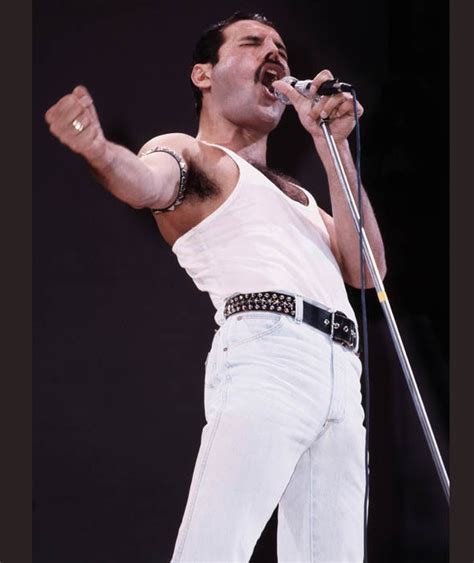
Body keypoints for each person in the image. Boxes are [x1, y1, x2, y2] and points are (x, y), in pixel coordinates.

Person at [44, 11, 387, 562]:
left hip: (343, 379)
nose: (275, 55)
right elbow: (145, 181)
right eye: (253, 43)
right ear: (203, 74)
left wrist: (334, 146)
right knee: (215, 549)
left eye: (281, 48)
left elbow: (367, 272)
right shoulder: (191, 154)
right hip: (268, 358)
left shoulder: (300, 200)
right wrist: (100, 151)